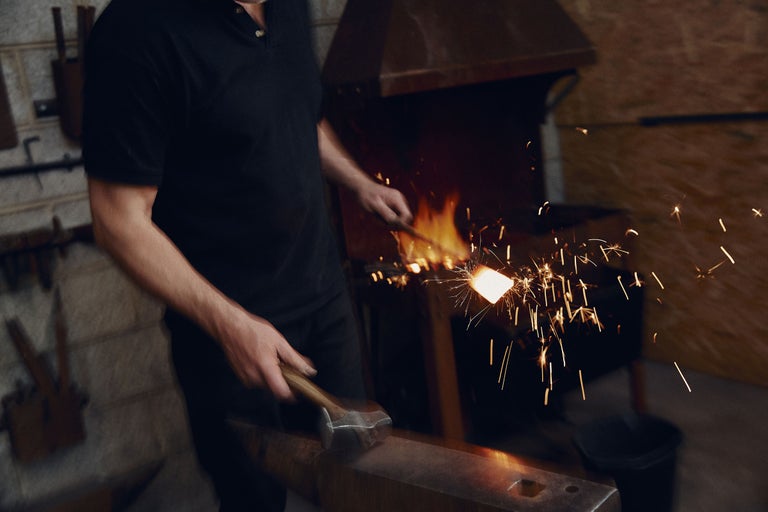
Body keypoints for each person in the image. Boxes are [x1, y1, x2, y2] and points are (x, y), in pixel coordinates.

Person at [82, 0, 412, 510]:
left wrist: (360, 183)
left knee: (358, 483)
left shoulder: (287, 8)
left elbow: (298, 114)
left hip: (323, 303)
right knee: (254, 499)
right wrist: (229, 323)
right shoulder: (136, 31)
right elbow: (117, 220)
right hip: (228, 334)